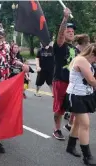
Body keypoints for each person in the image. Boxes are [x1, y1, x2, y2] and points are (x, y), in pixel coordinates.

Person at [0, 22, 29, 153]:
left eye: (1, 28)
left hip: (5, 86)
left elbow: (12, 61)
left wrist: (22, 65)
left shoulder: (7, 47)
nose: (1, 30)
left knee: (1, 112)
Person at [63, 43, 96, 165]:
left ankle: (70, 147)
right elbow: (91, 80)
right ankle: (87, 156)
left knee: (77, 122)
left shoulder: (85, 61)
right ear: (92, 54)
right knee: (85, 124)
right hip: (76, 96)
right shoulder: (81, 60)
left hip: (83, 95)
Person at [52, 8, 79, 140]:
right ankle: (56, 129)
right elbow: (60, 36)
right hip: (61, 80)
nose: (71, 32)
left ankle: (69, 125)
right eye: (68, 31)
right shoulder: (60, 45)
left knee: (78, 104)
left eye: (72, 31)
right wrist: (65, 19)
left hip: (73, 82)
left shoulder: (75, 49)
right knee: (60, 107)